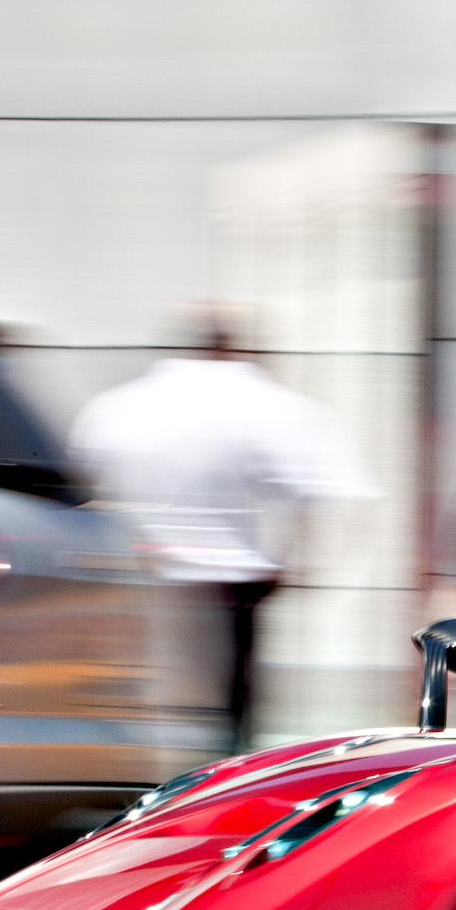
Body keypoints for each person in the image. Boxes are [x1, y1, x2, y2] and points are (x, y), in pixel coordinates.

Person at [71, 308, 375, 750]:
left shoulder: (119, 405)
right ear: (236, 346)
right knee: (227, 711)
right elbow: (325, 488)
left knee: (144, 691)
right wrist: (294, 557)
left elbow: (85, 481)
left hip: (141, 571)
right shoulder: (273, 405)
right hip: (234, 580)